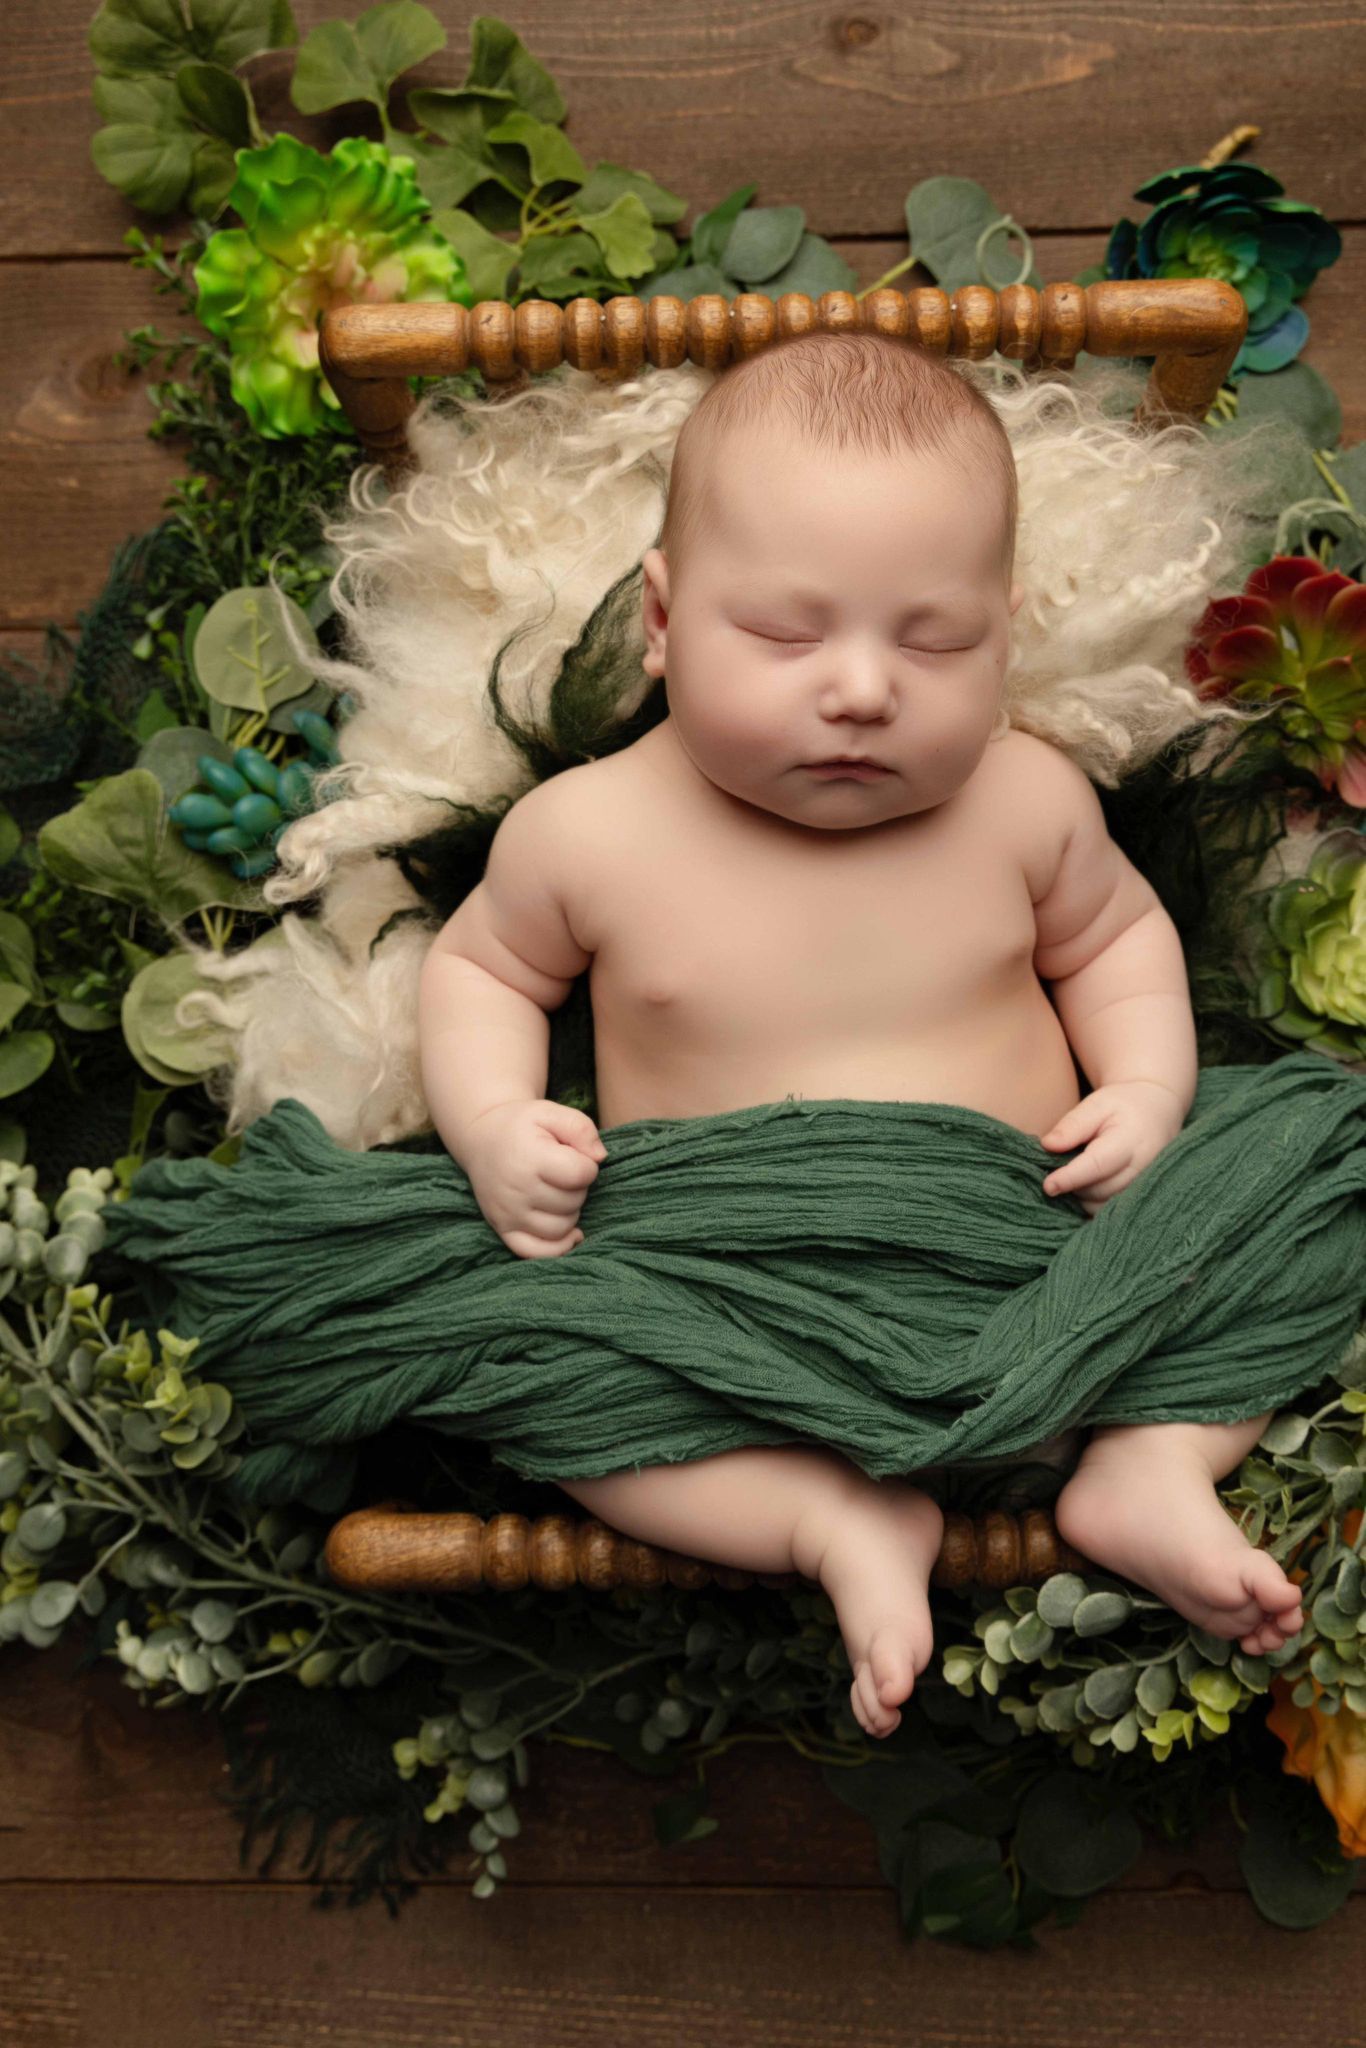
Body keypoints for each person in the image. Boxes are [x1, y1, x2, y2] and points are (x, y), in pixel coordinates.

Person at [416, 330, 1305, 1741]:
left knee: (1300, 1176)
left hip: (1035, 1263)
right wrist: (489, 1122)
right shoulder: (585, 831)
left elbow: (1121, 945)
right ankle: (827, 1519)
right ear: (660, 618)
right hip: (721, 1293)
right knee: (540, 1369)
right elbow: (479, 975)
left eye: (932, 638)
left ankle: (1142, 1469)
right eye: (780, 633)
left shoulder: (1026, 801)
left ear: (1001, 634)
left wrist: (1144, 1088)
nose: (859, 690)